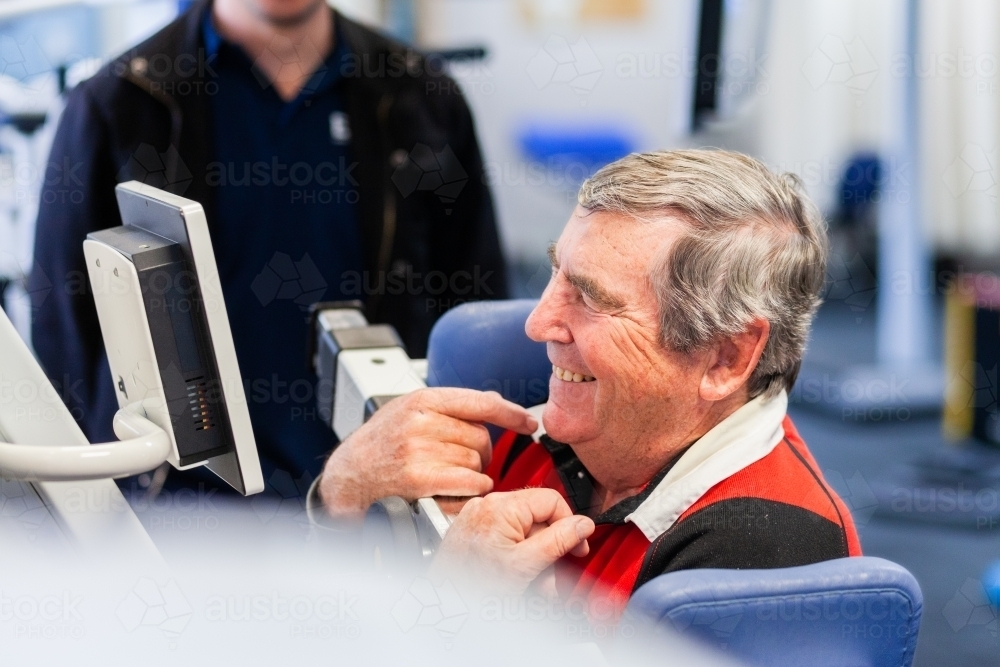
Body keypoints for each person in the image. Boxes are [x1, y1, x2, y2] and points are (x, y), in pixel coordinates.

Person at [309, 149, 862, 614]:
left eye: (591, 297)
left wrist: (458, 615)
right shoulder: (540, 416)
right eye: (556, 274)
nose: (537, 323)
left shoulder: (763, 560)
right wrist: (342, 498)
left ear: (725, 358)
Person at [29, 0, 506, 483]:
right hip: (175, 507)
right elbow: (63, 324)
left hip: (376, 498)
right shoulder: (121, 101)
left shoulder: (421, 97)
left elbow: (475, 308)